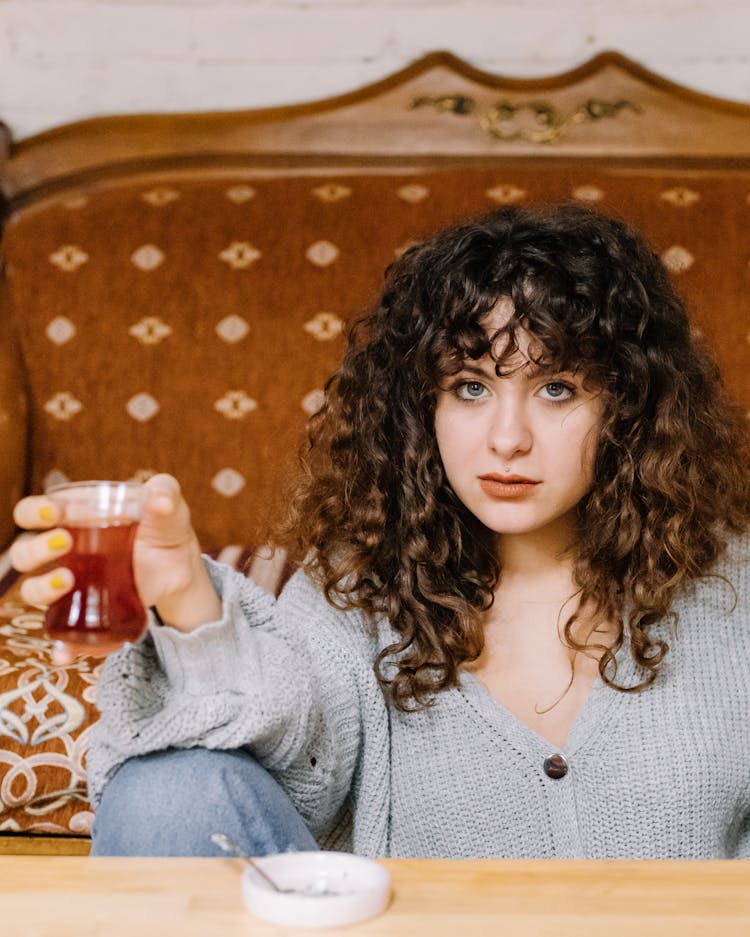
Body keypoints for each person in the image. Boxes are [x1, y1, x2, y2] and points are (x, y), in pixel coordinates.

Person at [11, 204, 750, 860]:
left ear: (626, 405)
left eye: (556, 388)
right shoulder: (359, 591)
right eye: (470, 387)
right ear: (419, 405)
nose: (507, 438)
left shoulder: (733, 592)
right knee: (166, 790)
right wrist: (186, 600)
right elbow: (282, 770)